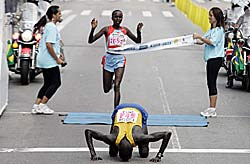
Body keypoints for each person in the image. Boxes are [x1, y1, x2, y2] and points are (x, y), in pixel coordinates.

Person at [88, 10, 143, 109]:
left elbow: (138, 41)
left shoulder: (125, 30)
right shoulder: (106, 29)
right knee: (106, 89)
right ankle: (111, 82)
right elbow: (91, 41)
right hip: (109, 59)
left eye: (120, 17)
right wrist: (92, 29)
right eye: (116, 17)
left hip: (120, 60)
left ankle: (116, 111)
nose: (118, 19)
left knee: (117, 86)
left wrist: (138, 32)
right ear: (112, 18)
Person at [85, 103, 172, 162]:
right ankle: (141, 143)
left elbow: (167, 134)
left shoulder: (137, 138)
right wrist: (93, 154)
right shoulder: (112, 138)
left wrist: (159, 155)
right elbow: (88, 132)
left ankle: (143, 144)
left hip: (138, 110)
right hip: (119, 110)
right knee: (112, 154)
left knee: (144, 153)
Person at [31, 5, 64, 114]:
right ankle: (42, 105)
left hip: (44, 58)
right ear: (54, 15)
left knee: (47, 83)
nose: (61, 15)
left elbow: (52, 43)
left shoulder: (49, 26)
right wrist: (57, 59)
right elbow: (49, 44)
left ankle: (36, 105)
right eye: (59, 13)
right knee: (56, 83)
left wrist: (59, 51)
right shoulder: (51, 27)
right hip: (49, 60)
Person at [193, 7, 225, 117]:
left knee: (212, 82)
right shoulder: (211, 30)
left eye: (211, 16)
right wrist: (191, 40)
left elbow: (211, 42)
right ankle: (211, 108)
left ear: (216, 17)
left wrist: (200, 37)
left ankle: (212, 109)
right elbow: (202, 41)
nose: (209, 18)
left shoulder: (219, 30)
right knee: (210, 82)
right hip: (211, 59)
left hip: (215, 59)